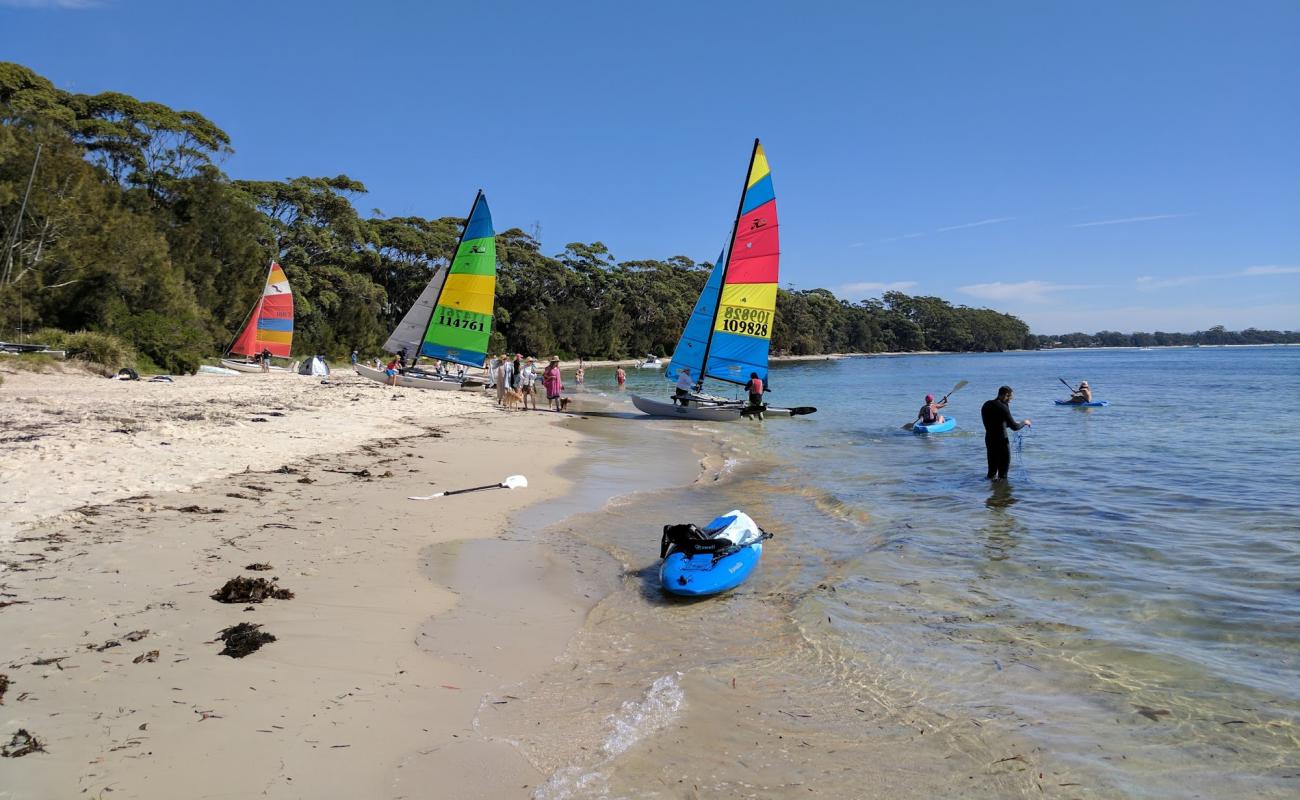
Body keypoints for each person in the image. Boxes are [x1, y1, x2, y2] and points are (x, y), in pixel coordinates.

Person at [981, 386, 1031, 481]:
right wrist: (1024, 422)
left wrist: (1010, 422)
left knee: (991, 472)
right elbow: (1014, 427)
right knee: (1003, 475)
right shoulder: (1003, 407)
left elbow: (996, 423)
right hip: (1001, 442)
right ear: (1005, 395)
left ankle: (990, 492)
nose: (1010, 401)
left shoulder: (986, 404)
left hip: (989, 440)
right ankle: (1003, 494)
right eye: (1010, 398)